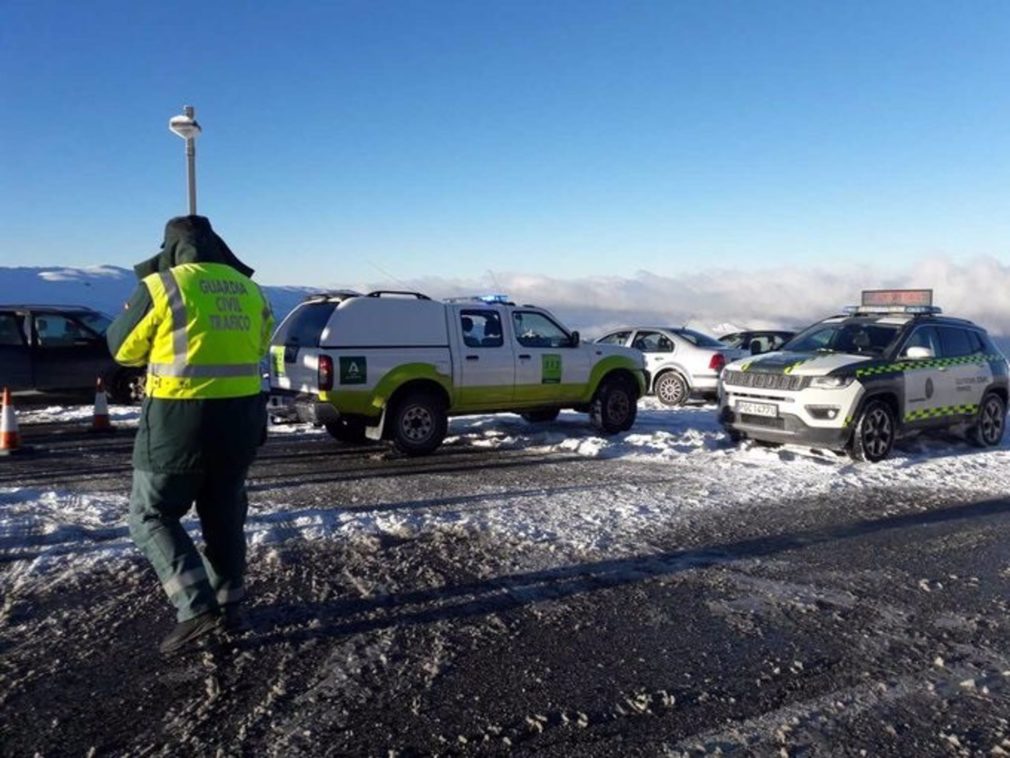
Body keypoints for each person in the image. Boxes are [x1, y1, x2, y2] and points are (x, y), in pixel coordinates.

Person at [107, 215, 274, 654]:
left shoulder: (162, 287)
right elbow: (260, 346)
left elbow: (122, 349)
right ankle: (230, 608)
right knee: (223, 514)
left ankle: (196, 606)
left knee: (151, 515)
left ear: (171, 247)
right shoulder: (250, 289)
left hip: (178, 422)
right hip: (239, 421)